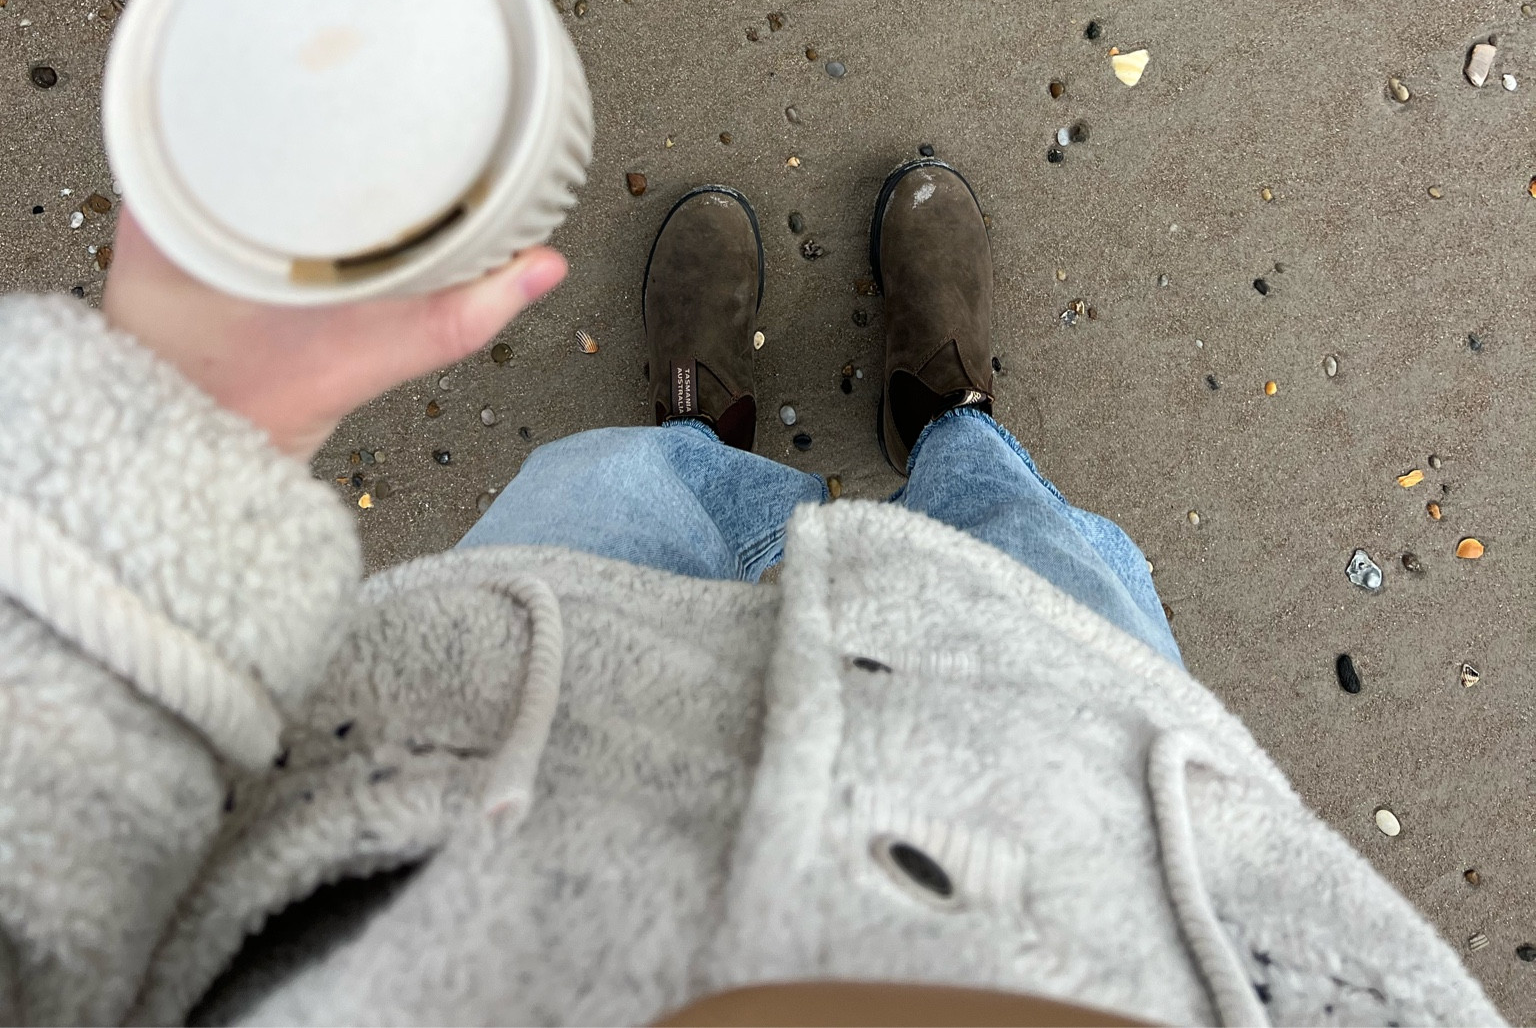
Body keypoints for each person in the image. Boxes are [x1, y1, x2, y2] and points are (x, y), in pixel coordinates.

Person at [0, 156, 1499, 1026]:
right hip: (1109, 803)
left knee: (611, 499)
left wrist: (165, 436)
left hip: (491, 739)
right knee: (1022, 544)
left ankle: (697, 426)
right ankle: (949, 410)